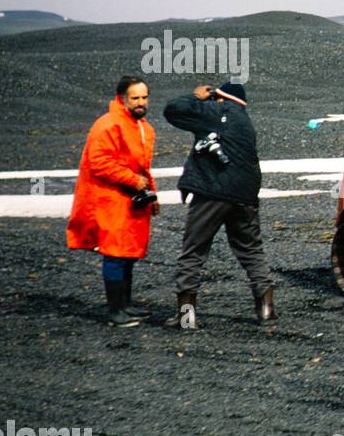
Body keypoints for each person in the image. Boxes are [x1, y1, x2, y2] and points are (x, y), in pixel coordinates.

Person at [163, 80, 275, 328]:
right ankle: (266, 309)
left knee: (193, 252)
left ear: (221, 98)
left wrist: (196, 96)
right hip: (245, 195)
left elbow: (173, 109)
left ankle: (186, 317)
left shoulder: (219, 112)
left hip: (213, 192)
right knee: (251, 250)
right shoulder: (246, 122)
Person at [66, 76, 159, 327]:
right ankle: (115, 312)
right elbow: (99, 162)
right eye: (135, 98)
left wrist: (152, 194)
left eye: (144, 97)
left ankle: (125, 307)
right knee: (116, 253)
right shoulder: (108, 125)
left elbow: (143, 166)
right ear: (122, 99)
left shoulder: (142, 127)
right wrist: (133, 181)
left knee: (128, 253)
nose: (141, 103)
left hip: (129, 199)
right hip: (110, 199)